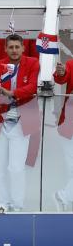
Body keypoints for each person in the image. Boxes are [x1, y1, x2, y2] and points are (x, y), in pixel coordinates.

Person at [0, 34, 40, 212]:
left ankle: (17, 205)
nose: (14, 50)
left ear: (23, 48)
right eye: (11, 47)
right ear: (5, 49)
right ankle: (2, 203)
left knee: (16, 167)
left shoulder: (33, 63)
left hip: (23, 120)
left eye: (17, 47)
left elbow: (32, 88)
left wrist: (10, 93)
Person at [53, 57, 73, 211]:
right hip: (70, 124)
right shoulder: (71, 64)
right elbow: (61, 77)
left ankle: (64, 196)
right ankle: (64, 197)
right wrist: (61, 72)